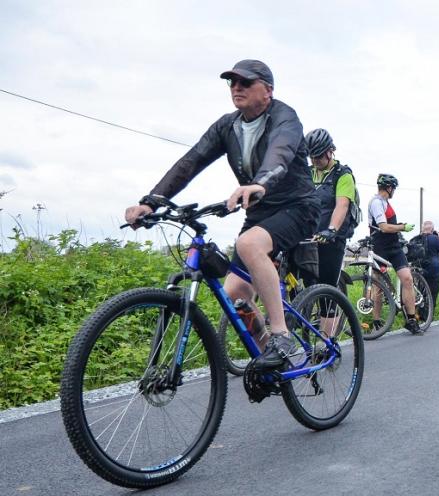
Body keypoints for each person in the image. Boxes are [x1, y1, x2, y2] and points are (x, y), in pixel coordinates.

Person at [124, 59, 319, 371]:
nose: (236, 88)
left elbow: (279, 154)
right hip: (259, 211)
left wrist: (258, 183)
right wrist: (152, 202)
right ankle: (276, 359)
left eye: (245, 83)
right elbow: (191, 161)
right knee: (235, 297)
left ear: (267, 90)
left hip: (298, 207)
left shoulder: (285, 117)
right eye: (232, 83)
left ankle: (282, 336)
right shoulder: (227, 126)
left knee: (249, 245)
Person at [298, 128, 358, 289]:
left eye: (318, 156)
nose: (314, 160)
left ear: (330, 151)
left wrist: (331, 230)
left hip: (331, 238)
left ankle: (328, 313)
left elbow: (342, 205)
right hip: (308, 237)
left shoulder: (342, 175)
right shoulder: (308, 172)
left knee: (325, 289)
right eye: (311, 156)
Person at [367, 174, 422, 334]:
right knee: (378, 286)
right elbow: (383, 227)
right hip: (381, 247)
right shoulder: (377, 202)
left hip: (394, 246)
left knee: (407, 278)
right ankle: (376, 321)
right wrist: (402, 227)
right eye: (393, 189)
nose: (394, 192)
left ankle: (411, 319)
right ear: (389, 188)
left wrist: (398, 228)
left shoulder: (385, 203)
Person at [419, 220, 439, 310]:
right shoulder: (435, 238)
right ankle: (429, 315)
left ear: (422, 229)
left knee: (421, 292)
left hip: (419, 270)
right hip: (433, 270)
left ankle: (419, 314)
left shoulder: (416, 239)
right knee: (433, 293)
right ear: (432, 229)